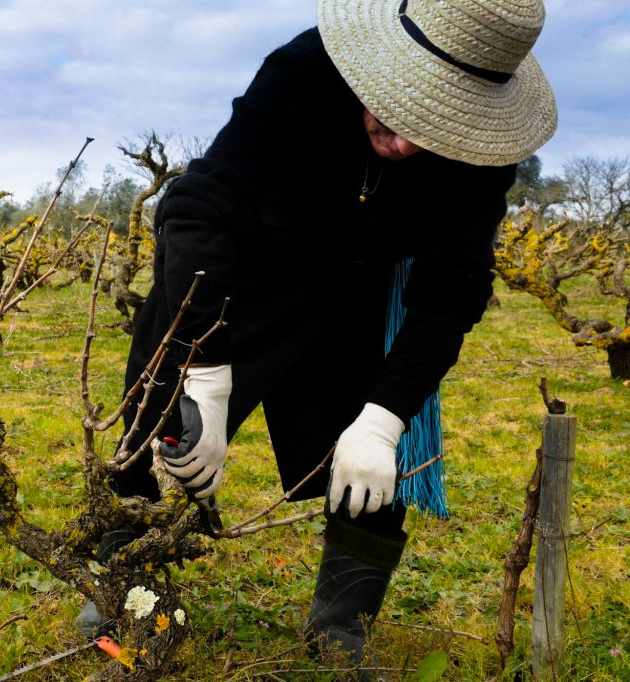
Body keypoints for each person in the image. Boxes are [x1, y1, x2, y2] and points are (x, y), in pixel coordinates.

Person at [78, 0, 557, 673]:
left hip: (353, 299)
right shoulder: (303, 72)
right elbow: (199, 208)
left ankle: (340, 629)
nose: (405, 147)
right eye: (397, 113)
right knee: (153, 441)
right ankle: (127, 600)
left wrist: (386, 420)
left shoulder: (484, 154)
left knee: (369, 473)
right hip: (228, 280)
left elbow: (450, 292)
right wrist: (203, 366)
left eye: (435, 127)